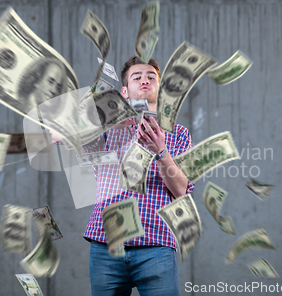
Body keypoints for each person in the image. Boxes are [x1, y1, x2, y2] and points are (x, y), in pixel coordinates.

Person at [52, 56, 195, 296]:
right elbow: (56, 133)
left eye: (151, 77)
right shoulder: (104, 130)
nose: (145, 80)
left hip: (156, 244)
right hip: (107, 245)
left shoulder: (179, 133)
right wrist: (107, 120)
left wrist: (160, 151)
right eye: (137, 77)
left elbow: (181, 191)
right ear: (124, 91)